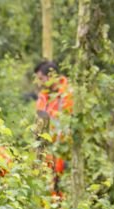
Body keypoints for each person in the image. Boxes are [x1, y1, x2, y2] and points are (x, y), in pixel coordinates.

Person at [33, 60, 73, 195]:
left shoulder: (68, 95)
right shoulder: (43, 96)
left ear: (51, 77)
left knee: (63, 188)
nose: (39, 83)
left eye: (41, 79)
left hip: (64, 149)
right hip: (46, 150)